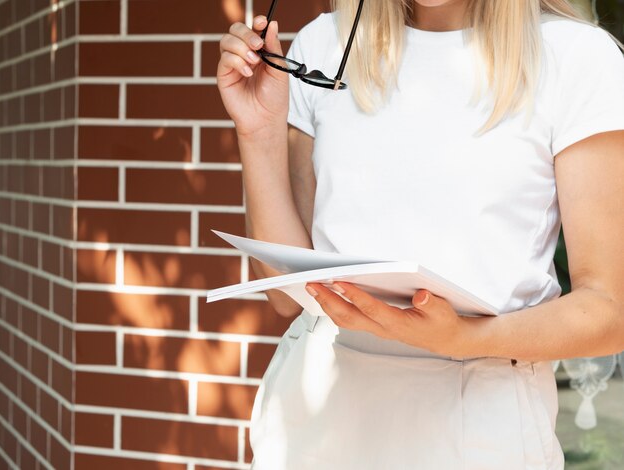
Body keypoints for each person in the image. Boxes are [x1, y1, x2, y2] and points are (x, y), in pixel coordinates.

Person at [216, 0, 624, 468]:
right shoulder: (326, 43)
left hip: (480, 421)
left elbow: (609, 311)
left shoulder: (575, 57)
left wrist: (468, 339)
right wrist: (259, 135)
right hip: (317, 419)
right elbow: (289, 298)